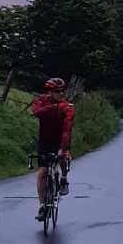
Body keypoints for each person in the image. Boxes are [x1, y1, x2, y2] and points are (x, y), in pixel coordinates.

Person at [32, 77, 74, 221]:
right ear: (49, 92)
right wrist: (55, 107)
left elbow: (67, 130)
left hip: (61, 138)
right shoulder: (41, 100)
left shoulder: (68, 107)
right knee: (42, 172)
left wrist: (65, 149)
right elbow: (36, 112)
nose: (61, 94)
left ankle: (63, 178)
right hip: (45, 139)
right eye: (57, 91)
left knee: (62, 156)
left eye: (63, 90)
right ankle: (42, 206)